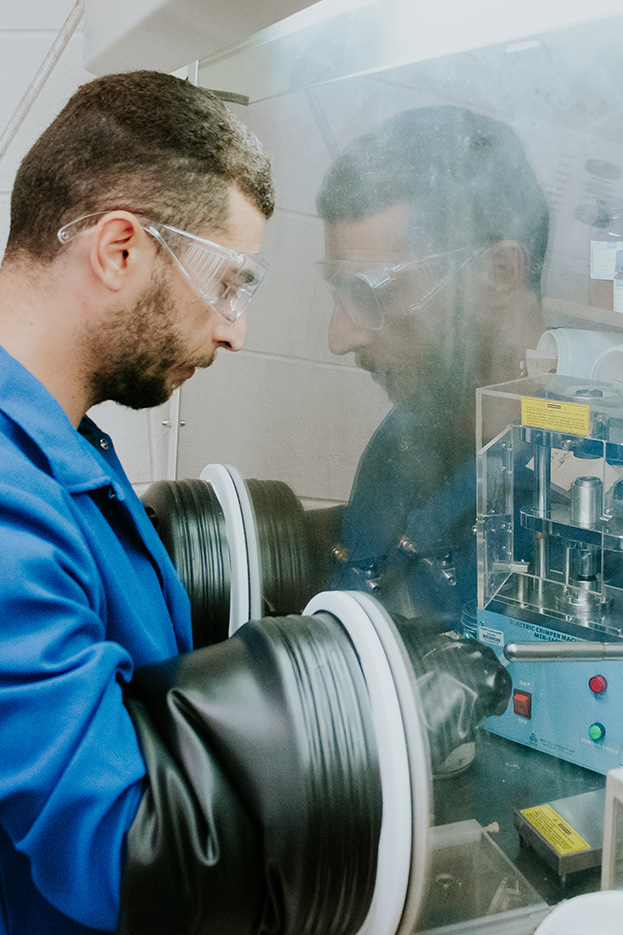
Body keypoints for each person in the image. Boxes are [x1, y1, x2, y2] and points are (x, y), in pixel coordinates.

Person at [0, 70, 275, 934]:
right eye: (226, 283)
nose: (233, 327)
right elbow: (133, 849)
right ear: (120, 249)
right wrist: (350, 701)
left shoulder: (63, 440)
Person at [316, 105, 550, 625]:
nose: (339, 337)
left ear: (499, 272)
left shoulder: (583, 478)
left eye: (373, 290)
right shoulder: (400, 444)